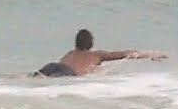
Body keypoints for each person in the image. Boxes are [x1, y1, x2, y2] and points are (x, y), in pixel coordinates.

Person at [35, 29, 166, 76]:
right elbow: (124, 54)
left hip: (53, 66)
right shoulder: (96, 55)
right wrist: (150, 55)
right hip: (69, 74)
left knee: (36, 77)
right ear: (90, 42)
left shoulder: (70, 53)